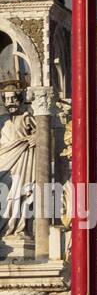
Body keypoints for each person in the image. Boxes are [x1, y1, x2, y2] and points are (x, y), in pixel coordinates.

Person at [0, 83, 34, 237]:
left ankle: (18, 228)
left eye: (14, 98)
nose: (10, 102)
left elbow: (43, 134)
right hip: (4, 160)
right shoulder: (2, 120)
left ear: (20, 99)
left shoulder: (26, 116)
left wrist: (35, 137)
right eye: (7, 99)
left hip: (22, 162)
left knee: (18, 194)